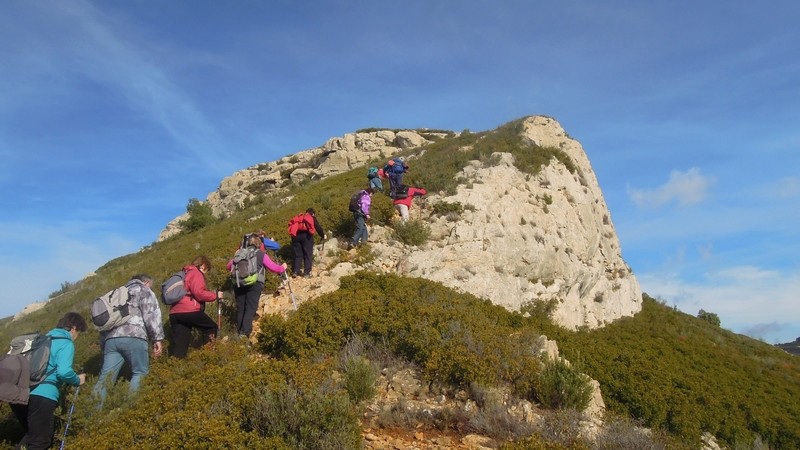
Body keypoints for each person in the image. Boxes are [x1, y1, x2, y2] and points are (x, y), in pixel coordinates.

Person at [10, 312, 86, 450]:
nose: (77, 337)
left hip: (19, 394)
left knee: (32, 436)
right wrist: (77, 380)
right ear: (74, 328)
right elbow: (64, 372)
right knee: (40, 442)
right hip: (43, 395)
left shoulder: (42, 339)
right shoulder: (66, 343)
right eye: (78, 332)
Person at [93, 274, 164, 409]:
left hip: (111, 339)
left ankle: (92, 415)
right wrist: (157, 338)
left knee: (105, 378)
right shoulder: (143, 290)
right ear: (147, 282)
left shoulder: (118, 292)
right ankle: (127, 410)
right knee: (140, 372)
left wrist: (104, 344)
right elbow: (152, 314)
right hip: (134, 335)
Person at [227, 235, 287, 339]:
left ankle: (238, 332)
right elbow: (273, 268)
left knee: (241, 309)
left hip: (239, 284)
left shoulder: (240, 253)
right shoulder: (260, 254)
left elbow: (229, 266)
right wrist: (283, 267)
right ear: (259, 244)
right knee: (250, 309)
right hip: (254, 284)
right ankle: (244, 334)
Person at [168, 256, 222, 359]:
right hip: (189, 310)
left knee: (180, 344)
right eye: (206, 270)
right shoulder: (196, 273)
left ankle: (174, 366)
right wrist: (215, 295)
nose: (205, 273)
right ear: (203, 265)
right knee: (211, 327)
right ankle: (208, 356)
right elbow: (199, 293)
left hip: (175, 312)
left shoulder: (184, 273)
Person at [290, 208, 326, 278]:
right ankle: (307, 273)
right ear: (313, 213)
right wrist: (323, 235)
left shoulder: (300, 217)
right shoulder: (311, 217)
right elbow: (318, 228)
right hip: (306, 236)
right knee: (308, 254)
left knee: (298, 255)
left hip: (295, 236)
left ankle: (295, 271)